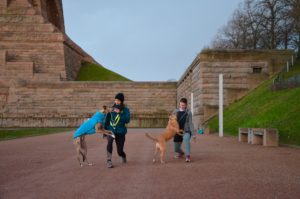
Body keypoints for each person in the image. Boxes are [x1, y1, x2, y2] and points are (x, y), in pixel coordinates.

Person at [104, 93, 130, 168]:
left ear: (121, 101)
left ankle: (123, 155)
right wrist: (105, 131)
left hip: (121, 132)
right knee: (109, 141)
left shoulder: (125, 110)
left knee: (120, 151)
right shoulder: (111, 109)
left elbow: (127, 120)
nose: (116, 102)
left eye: (118, 100)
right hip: (111, 130)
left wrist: (120, 113)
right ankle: (109, 160)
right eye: (115, 100)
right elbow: (107, 120)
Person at [173, 97, 195, 162]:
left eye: (183, 105)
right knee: (176, 149)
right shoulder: (175, 111)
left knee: (186, 140)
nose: (182, 106)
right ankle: (181, 153)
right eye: (181, 105)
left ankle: (188, 156)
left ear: (186, 105)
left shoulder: (188, 112)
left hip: (186, 131)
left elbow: (191, 123)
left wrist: (193, 134)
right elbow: (172, 121)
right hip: (177, 131)